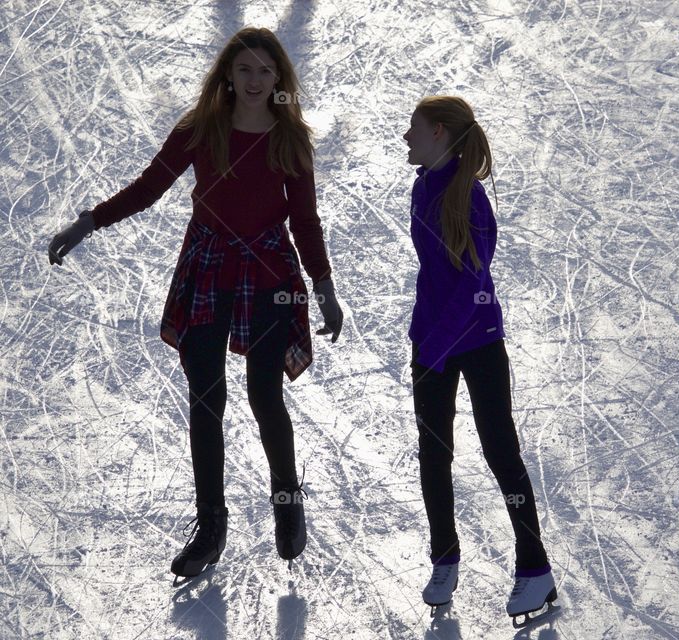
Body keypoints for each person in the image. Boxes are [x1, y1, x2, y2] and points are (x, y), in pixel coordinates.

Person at [47, 27, 343, 577]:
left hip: (270, 272)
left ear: (279, 77)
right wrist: (87, 222)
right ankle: (211, 526)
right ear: (228, 75)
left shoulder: (290, 139)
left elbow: (304, 220)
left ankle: (287, 499)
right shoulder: (200, 130)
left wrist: (323, 287)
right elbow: (148, 187)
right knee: (206, 399)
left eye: (265, 71)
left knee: (264, 395)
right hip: (209, 267)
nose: (255, 81)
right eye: (245, 70)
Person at [402, 96, 557, 618]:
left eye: (414, 128)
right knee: (433, 454)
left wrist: (434, 345)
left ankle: (535, 569)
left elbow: (473, 285)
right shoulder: (423, 186)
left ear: (440, 133)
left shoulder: (470, 200)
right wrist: (425, 336)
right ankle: (444, 558)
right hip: (431, 341)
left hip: (477, 341)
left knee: (500, 452)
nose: (406, 137)